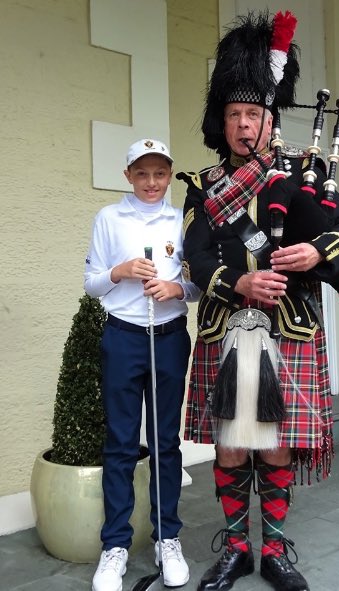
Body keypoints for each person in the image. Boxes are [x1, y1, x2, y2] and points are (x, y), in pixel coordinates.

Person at [177, 11, 339, 591]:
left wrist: (314, 253)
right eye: (234, 114)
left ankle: (276, 552)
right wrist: (239, 283)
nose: (244, 124)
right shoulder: (204, 188)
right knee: (233, 446)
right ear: (222, 121)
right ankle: (236, 549)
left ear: (269, 120)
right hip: (226, 329)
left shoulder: (302, 174)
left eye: (254, 114)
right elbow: (195, 258)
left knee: (278, 447)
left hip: (290, 327)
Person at [84, 138, 199, 591]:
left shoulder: (181, 219)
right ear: (128, 175)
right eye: (142, 173)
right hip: (124, 337)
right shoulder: (109, 218)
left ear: (169, 176)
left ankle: (167, 538)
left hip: (169, 338)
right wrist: (121, 271)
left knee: (165, 442)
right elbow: (92, 283)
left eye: (160, 173)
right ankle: (114, 545)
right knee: (121, 443)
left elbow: (197, 283)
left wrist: (176, 290)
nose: (152, 182)